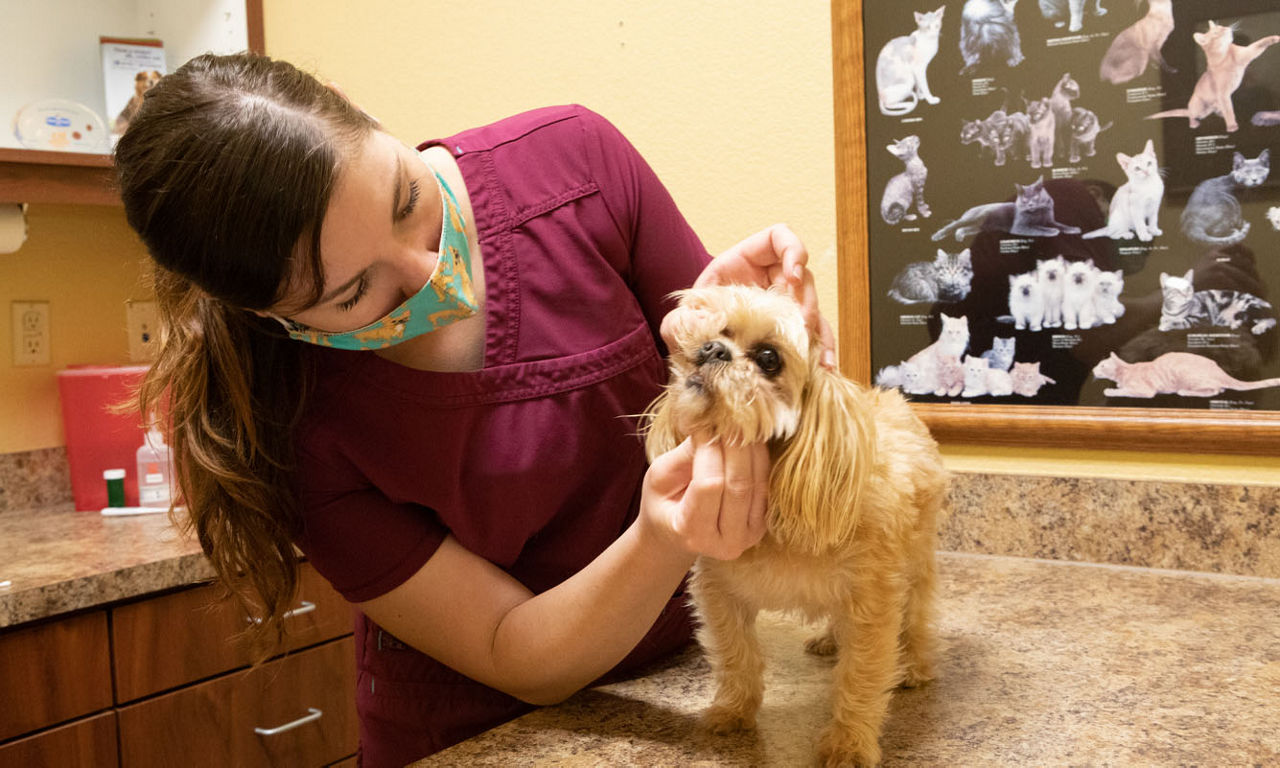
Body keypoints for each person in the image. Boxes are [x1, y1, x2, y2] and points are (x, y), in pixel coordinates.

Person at [115, 52, 834, 767]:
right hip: (474, 738)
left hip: (680, 686)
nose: (430, 275)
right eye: (354, 293)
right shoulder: (282, 422)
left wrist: (752, 328)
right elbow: (509, 647)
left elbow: (752, 420)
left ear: (348, 103)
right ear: (265, 312)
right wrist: (660, 538)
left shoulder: (576, 164)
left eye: (405, 200)